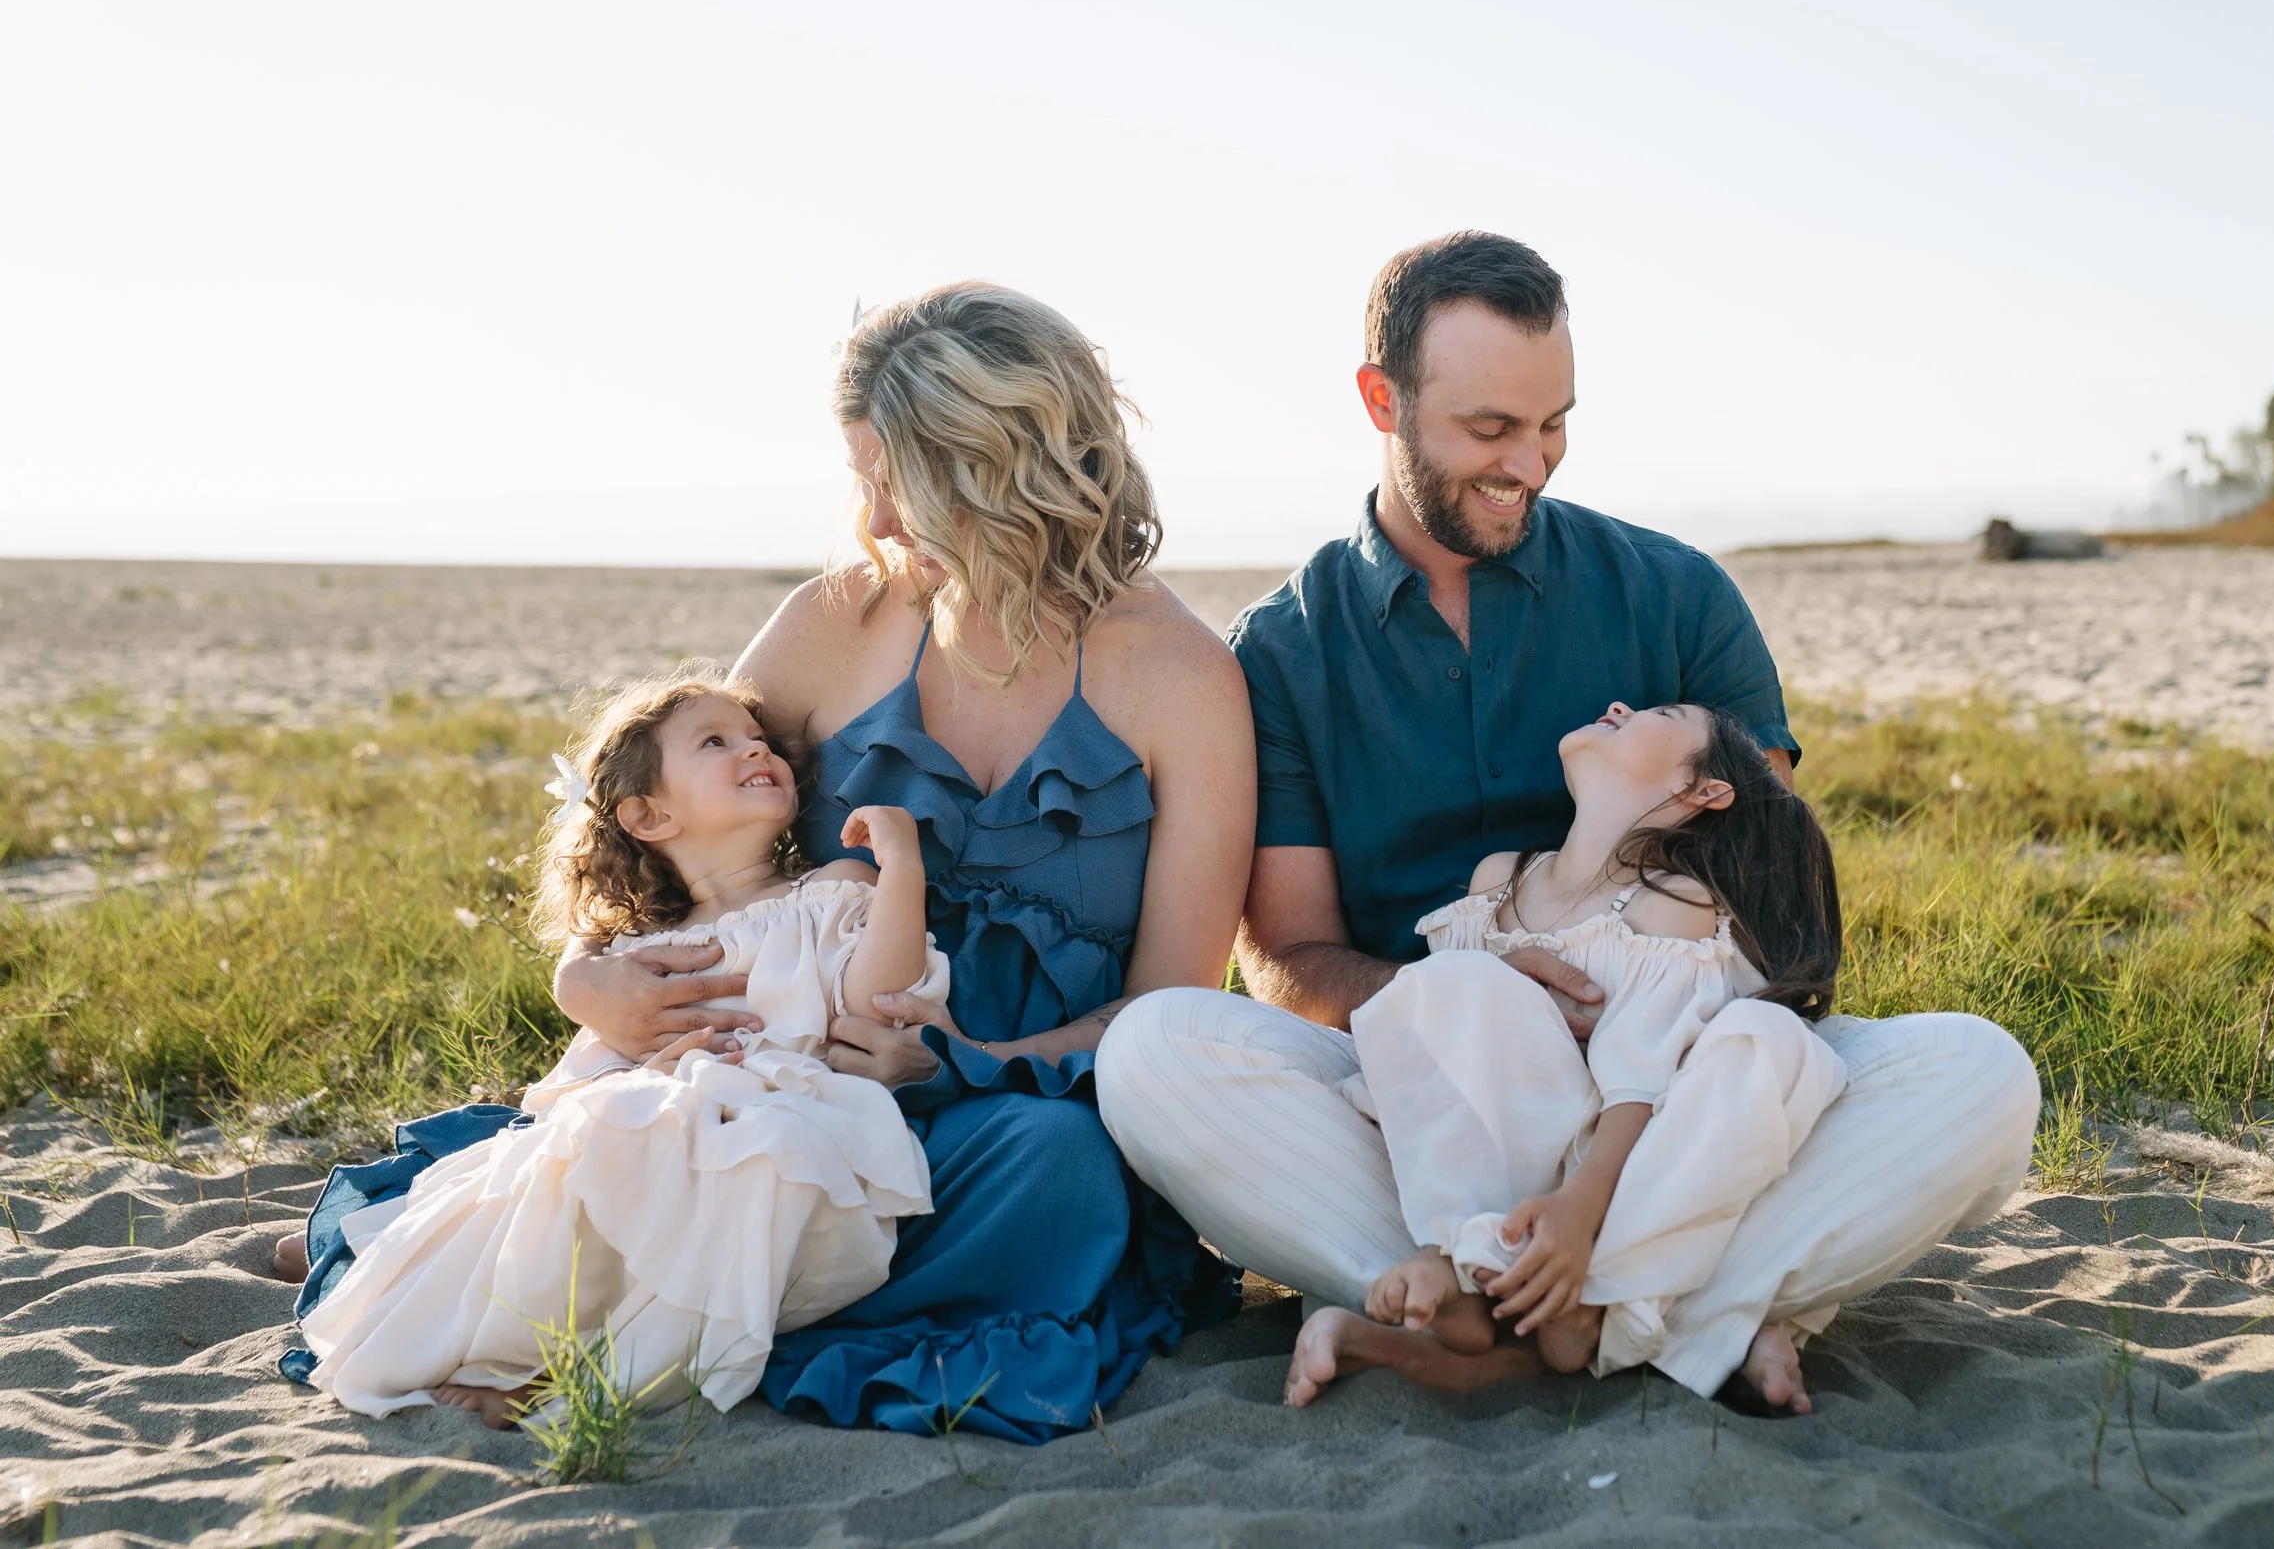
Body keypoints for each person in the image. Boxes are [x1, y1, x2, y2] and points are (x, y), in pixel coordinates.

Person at [1097, 230, 2039, 1417]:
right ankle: (1694, 1307)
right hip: (1424, 1093)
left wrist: (1634, 1042)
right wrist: (1476, 987)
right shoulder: (1282, 651)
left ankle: (1505, 1306)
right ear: (1380, 399)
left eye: (1554, 425)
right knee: (1155, 1053)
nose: (1529, 464)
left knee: (1977, 1074)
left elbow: (1772, 894)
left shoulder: (1676, 592)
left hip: (1681, 1071)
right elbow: (1285, 953)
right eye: (1491, 429)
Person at [544, 283, 1255, 1443]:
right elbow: (665, 828)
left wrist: (962, 1060)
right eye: (861, 475)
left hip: (1006, 1117)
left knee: (1062, 1173)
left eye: (899, 480)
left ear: (1003, 465)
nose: (872, 517)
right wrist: (586, 974)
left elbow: (1173, 999)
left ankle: (683, 1304)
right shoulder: (837, 623)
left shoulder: (1179, 677)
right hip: (783, 1089)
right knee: (658, 1131)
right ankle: (643, 1278)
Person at [290, 672, 941, 1424]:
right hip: (658, 1121)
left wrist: (904, 870)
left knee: (751, 1162)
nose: (755, 748)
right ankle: (533, 1353)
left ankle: (585, 1377)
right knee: (580, 1154)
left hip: (786, 1112)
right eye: (716, 741)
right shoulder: (643, 956)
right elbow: (583, 1084)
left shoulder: (829, 887)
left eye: (760, 739)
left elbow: (877, 999)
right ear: (649, 814)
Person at [1350, 701, 1848, 1411]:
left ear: (1703, 790)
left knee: (1771, 1051)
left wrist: (1581, 1205)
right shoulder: (1498, 881)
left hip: (1609, 1166)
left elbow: (1638, 1081)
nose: (1619, 706)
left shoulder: (1673, 902)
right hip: (1497, 1147)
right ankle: (1478, 1264)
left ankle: (1540, 1286)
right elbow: (1441, 1045)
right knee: (1446, 985)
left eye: (1661, 711)